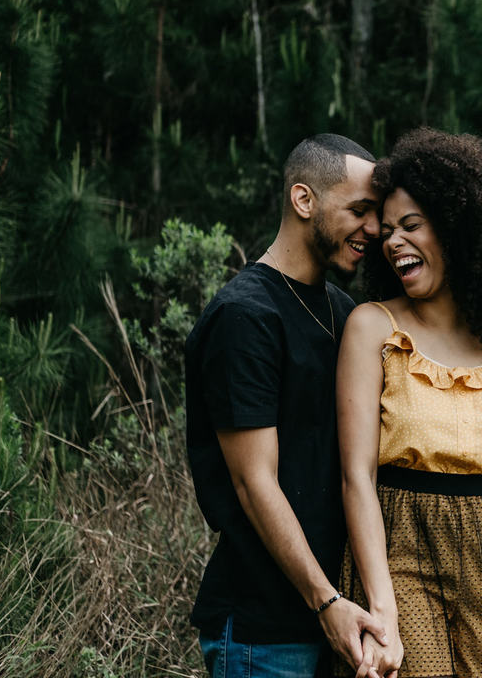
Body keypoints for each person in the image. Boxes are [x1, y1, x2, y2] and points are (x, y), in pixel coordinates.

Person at [337, 128, 482, 678]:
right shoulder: (373, 328)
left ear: (460, 229)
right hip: (400, 546)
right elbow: (356, 477)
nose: (393, 242)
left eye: (412, 226)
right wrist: (382, 607)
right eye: (387, 230)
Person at [185, 134, 389, 678]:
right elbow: (256, 483)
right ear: (304, 201)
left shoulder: (344, 312)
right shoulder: (245, 316)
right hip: (265, 635)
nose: (374, 228)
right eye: (359, 210)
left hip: (338, 626)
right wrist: (326, 602)